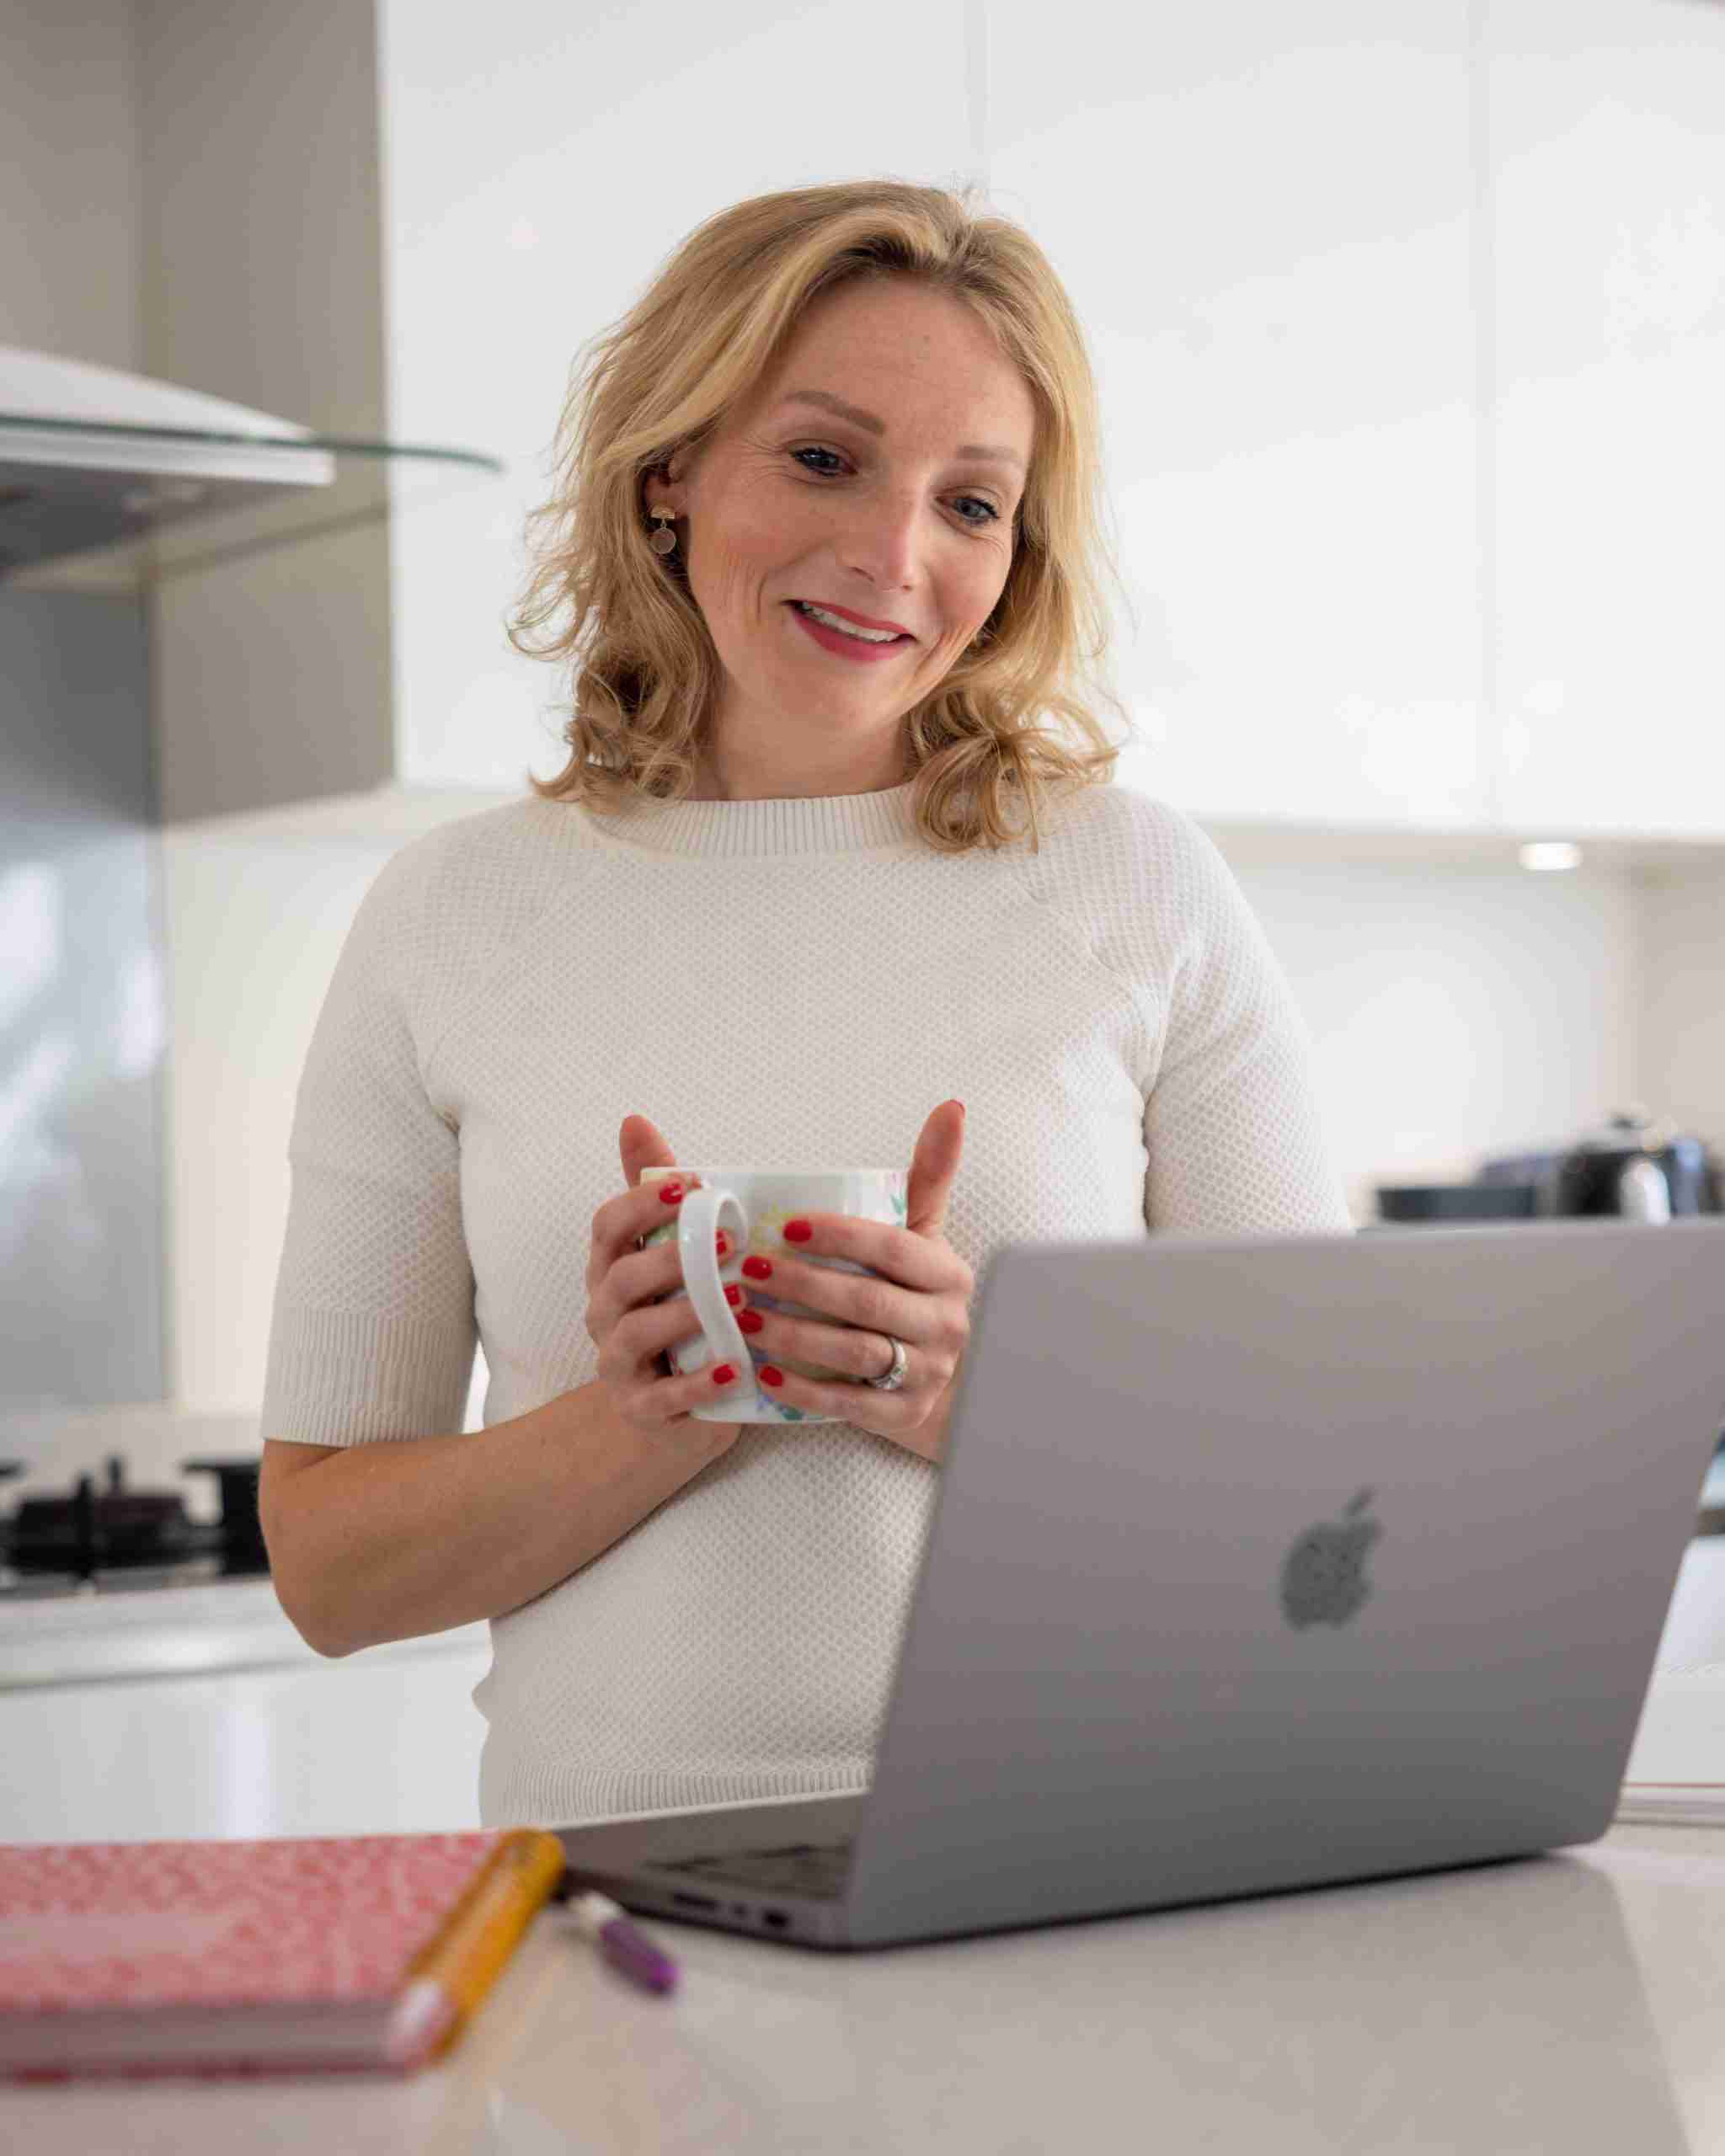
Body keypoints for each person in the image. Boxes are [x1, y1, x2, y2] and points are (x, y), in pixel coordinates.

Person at [257, 179, 1354, 1831]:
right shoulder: (452, 917)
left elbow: (1331, 1507)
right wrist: (659, 1407)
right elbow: (333, 1569)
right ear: (671, 469)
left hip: (1079, 1880)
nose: (892, 556)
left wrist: (952, 1394)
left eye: (971, 503)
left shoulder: (1137, 888)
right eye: (824, 456)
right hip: (618, 1915)